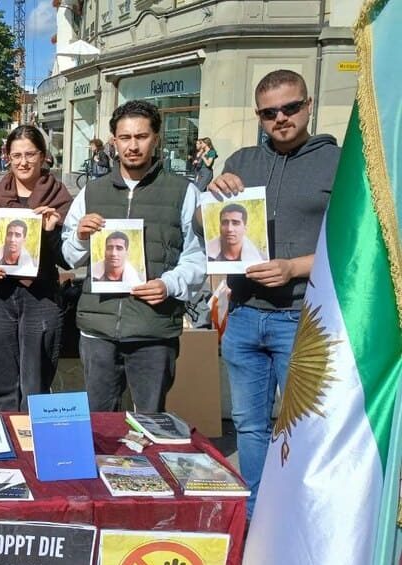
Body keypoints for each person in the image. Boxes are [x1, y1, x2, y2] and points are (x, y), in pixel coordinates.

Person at [207, 69, 340, 517]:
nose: (281, 118)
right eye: (269, 112)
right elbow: (206, 234)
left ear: (309, 104)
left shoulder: (337, 164)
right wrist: (213, 196)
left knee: (305, 426)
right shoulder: (242, 161)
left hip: (303, 316)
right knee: (249, 426)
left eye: (290, 107)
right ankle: (256, 515)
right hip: (244, 315)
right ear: (258, 116)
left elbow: (356, 245)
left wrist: (295, 268)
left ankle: (303, 518)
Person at [61, 99, 205, 413]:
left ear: (156, 138)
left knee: (150, 422)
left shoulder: (184, 192)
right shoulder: (91, 192)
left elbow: (198, 257)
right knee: (100, 425)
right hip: (98, 330)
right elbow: (69, 256)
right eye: (125, 138)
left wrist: (169, 284)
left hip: (153, 329)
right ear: (114, 142)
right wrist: (81, 237)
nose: (133, 146)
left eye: (141, 137)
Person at [0, 124, 71, 411]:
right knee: (0, 386)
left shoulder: (60, 196)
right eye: (16, 155)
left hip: (42, 300)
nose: (23, 162)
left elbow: (67, 258)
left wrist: (49, 232)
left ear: (44, 156)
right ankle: (4, 451)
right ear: (8, 157)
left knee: (36, 387)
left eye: (30, 154)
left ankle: (31, 449)